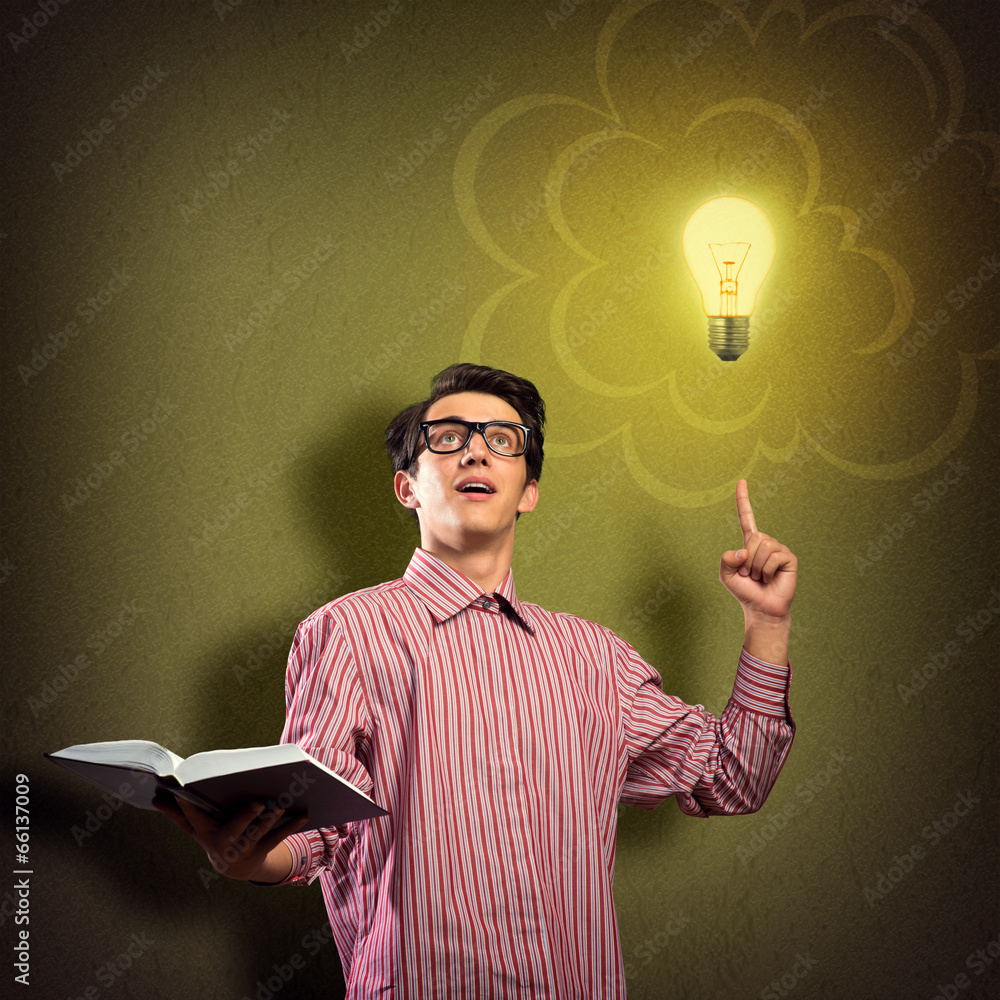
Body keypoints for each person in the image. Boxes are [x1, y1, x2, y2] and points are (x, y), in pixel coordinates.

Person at [155, 363, 798, 998]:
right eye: (448, 438)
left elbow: (733, 777)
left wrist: (767, 624)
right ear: (407, 487)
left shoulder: (597, 660)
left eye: (501, 439)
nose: (475, 454)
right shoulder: (346, 632)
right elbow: (317, 825)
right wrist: (251, 858)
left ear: (529, 490)